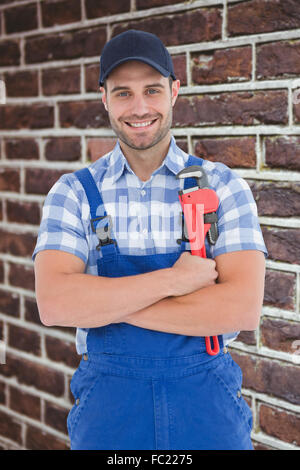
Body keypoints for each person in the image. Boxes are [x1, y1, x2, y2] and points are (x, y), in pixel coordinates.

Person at [32, 29, 268, 450]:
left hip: (206, 412)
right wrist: (173, 282)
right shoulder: (72, 193)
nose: (139, 108)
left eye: (152, 90)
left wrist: (106, 303)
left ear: (175, 92)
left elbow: (241, 308)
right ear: (103, 97)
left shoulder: (223, 187)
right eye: (123, 93)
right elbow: (55, 304)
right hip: (110, 416)